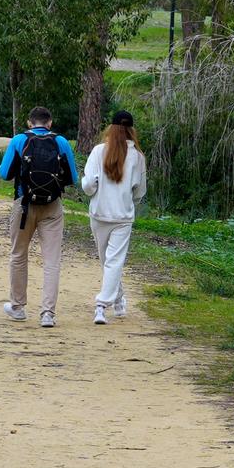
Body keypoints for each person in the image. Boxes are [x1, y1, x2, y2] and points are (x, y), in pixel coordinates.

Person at [0, 106, 78, 328]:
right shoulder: (61, 142)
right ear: (50, 123)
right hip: (52, 207)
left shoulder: (18, 140)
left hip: (24, 205)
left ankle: (18, 307)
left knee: (18, 254)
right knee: (52, 260)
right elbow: (72, 177)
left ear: (29, 122)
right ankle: (47, 314)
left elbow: (4, 174)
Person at [80, 110, 146, 326]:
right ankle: (118, 299)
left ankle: (101, 305)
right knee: (112, 262)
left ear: (111, 128)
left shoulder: (99, 152)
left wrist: (92, 188)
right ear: (131, 130)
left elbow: (89, 186)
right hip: (123, 216)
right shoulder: (137, 157)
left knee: (108, 261)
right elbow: (139, 191)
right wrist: (128, 200)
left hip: (99, 214)